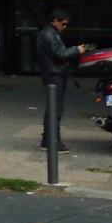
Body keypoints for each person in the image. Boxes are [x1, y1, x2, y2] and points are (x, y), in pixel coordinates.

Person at [36, 8, 90, 152]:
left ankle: (48, 140)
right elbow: (60, 54)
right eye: (63, 24)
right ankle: (53, 140)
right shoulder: (49, 34)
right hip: (54, 74)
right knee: (55, 108)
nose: (64, 27)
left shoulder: (49, 33)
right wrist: (77, 50)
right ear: (55, 20)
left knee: (54, 107)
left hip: (54, 73)